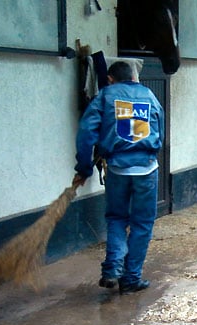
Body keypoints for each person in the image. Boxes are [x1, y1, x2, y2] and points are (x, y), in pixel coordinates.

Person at [73, 61, 164, 295]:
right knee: (142, 224)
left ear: (111, 79)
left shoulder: (105, 96)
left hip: (117, 168)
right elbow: (160, 130)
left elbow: (85, 133)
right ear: (134, 78)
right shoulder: (149, 95)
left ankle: (112, 268)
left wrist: (84, 168)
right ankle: (131, 278)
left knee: (116, 218)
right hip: (147, 168)